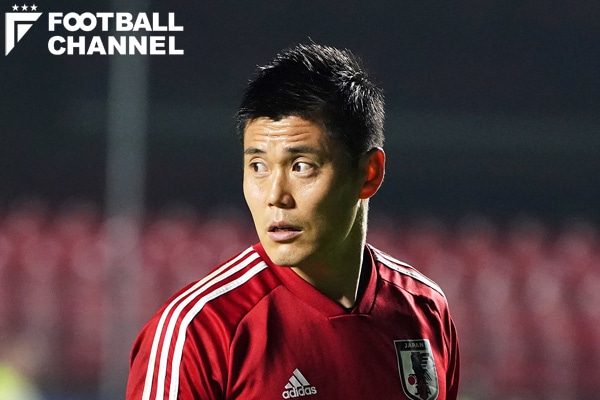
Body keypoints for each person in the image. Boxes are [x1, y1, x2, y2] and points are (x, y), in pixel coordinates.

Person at [126, 43, 460, 400]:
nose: (275, 195)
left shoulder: (425, 309)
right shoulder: (198, 332)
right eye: (258, 166)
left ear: (369, 174)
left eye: (301, 166)